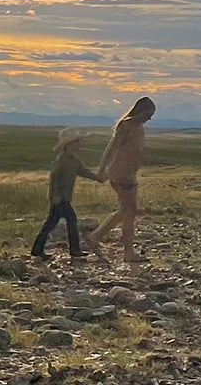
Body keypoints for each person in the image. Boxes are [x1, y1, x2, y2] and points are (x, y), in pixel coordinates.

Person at [92, 96, 155, 264]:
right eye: (149, 114)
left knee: (128, 211)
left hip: (128, 173)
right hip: (121, 174)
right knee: (129, 210)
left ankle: (118, 246)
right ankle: (107, 240)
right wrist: (101, 169)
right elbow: (111, 148)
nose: (150, 118)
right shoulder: (126, 125)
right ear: (141, 111)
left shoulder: (138, 127)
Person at [30, 128, 97, 263]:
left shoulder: (74, 160)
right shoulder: (61, 160)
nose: (80, 144)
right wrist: (54, 196)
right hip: (59, 198)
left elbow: (83, 171)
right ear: (69, 144)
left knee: (52, 223)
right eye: (77, 141)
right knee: (71, 220)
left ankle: (38, 249)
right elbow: (54, 178)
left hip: (64, 197)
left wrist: (98, 177)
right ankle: (75, 250)